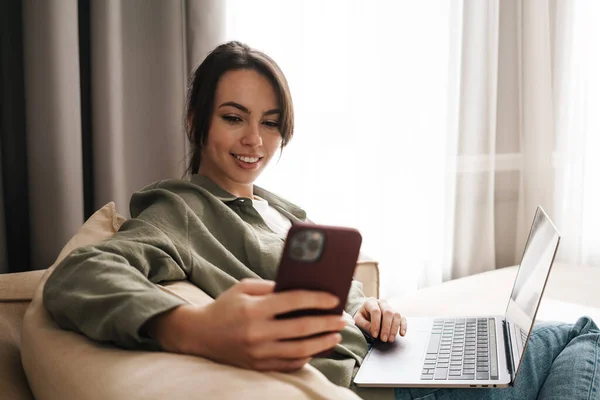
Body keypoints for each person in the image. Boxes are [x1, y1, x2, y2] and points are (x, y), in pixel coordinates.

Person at [44, 41, 600, 400]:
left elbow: (326, 301)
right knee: (584, 332)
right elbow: (77, 276)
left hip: (387, 360)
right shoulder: (181, 211)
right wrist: (191, 327)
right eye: (233, 118)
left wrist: (369, 309)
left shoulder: (279, 207)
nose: (253, 141)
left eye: (269, 123)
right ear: (196, 120)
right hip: (379, 387)